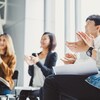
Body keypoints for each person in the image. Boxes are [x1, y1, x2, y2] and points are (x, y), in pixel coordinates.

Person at [42, 15, 100, 100]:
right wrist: (75, 63)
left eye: (88, 24)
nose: (85, 27)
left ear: (98, 28)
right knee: (54, 82)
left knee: (51, 81)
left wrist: (88, 49)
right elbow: (91, 64)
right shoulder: (89, 43)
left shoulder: (93, 44)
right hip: (90, 78)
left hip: (96, 82)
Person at [19, 32, 58, 100]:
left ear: (51, 41)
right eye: (41, 39)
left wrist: (38, 62)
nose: (42, 41)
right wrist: (30, 65)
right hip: (33, 86)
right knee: (22, 93)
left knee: (32, 95)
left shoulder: (53, 55)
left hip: (44, 87)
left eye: (44, 39)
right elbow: (31, 74)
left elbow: (50, 73)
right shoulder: (35, 55)